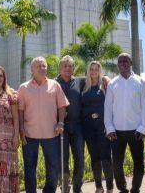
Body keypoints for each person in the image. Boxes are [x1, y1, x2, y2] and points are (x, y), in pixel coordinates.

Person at [18, 56, 69, 193]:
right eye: (38, 66)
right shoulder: (23, 88)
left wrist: (61, 122)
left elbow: (62, 106)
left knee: (53, 166)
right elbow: (20, 110)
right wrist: (21, 128)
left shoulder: (55, 85)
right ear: (32, 70)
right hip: (29, 134)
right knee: (30, 167)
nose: (42, 68)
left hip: (51, 133)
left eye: (44, 66)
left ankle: (49, 190)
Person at [104, 53, 145, 193]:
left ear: (131, 63)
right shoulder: (112, 83)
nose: (123, 63)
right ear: (118, 64)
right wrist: (109, 128)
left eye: (125, 61)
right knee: (117, 163)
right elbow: (107, 108)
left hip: (136, 130)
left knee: (138, 162)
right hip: (116, 131)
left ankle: (135, 188)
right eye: (120, 61)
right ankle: (122, 189)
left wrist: (143, 128)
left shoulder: (140, 82)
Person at [81, 61, 113, 193]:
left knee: (105, 158)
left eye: (96, 69)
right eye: (91, 69)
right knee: (95, 159)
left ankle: (110, 187)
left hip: (103, 127)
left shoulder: (105, 85)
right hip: (88, 128)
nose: (93, 72)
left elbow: (111, 105)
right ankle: (99, 187)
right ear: (88, 71)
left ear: (100, 71)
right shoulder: (83, 86)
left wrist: (109, 125)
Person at [55, 55, 85, 193]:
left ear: (74, 68)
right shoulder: (53, 83)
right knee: (63, 159)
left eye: (70, 66)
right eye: (65, 65)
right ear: (60, 67)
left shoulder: (80, 82)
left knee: (79, 158)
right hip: (61, 127)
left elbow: (96, 79)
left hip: (77, 126)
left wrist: (105, 78)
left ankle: (77, 188)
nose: (67, 68)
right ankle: (65, 189)